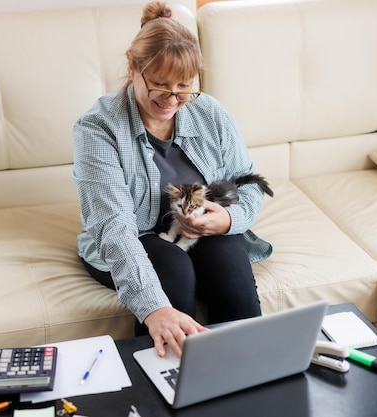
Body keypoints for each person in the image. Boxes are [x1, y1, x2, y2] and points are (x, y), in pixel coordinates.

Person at [72, 1, 272, 358]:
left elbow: (248, 184)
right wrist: (154, 309)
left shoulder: (209, 112)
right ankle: (163, 390)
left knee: (230, 268)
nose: (172, 100)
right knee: (172, 273)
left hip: (197, 229)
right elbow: (113, 226)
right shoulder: (98, 128)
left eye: (184, 87)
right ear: (133, 68)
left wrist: (227, 219)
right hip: (135, 236)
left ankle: (246, 378)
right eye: (160, 86)